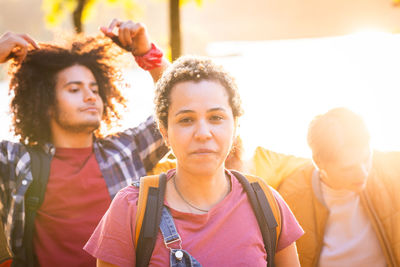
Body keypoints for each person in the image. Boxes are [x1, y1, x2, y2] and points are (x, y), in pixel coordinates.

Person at [84, 56, 304, 266]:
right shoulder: (131, 208)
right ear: (165, 133)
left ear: (235, 125)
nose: (203, 133)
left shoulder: (265, 203)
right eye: (186, 119)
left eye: (216, 117)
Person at [0, 19, 169, 267]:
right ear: (46, 104)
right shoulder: (15, 160)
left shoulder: (125, 150)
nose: (90, 95)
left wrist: (147, 54)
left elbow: (177, 108)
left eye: (94, 88)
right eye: (74, 89)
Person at [253, 108, 400, 267]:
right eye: (348, 168)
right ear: (319, 162)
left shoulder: (391, 173)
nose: (363, 173)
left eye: (366, 159)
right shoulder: (289, 199)